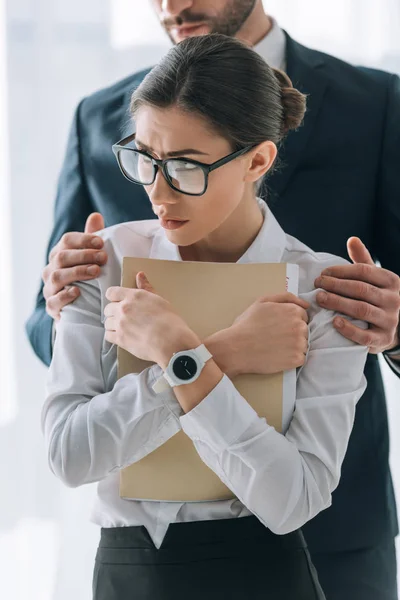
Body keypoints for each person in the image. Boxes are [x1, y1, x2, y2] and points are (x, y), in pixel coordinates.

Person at [29, 2, 400, 599]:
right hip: (131, 561)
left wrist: (178, 352)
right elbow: (67, 449)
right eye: (145, 161)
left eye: (185, 167)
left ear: (258, 160)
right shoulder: (104, 249)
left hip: (305, 547)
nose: (157, 192)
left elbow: (295, 498)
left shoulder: (325, 280)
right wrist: (215, 353)